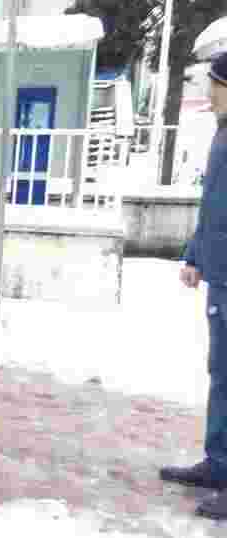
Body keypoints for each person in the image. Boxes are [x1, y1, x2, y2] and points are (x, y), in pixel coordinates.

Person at [160, 53, 227, 520]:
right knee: (221, 373)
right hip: (221, 275)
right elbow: (215, 205)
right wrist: (194, 254)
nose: (210, 90)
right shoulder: (222, 131)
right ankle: (219, 463)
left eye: (216, 83)